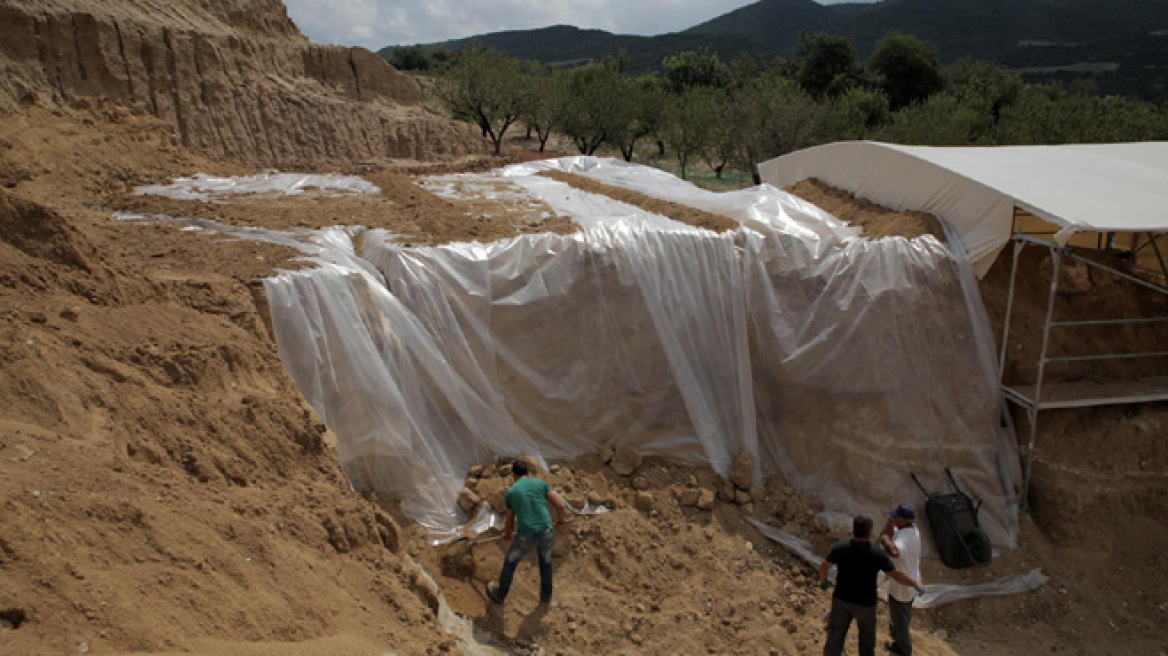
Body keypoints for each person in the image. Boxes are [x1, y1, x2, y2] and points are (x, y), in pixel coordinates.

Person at [819, 515, 924, 656]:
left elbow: (824, 566)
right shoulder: (877, 554)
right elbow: (897, 575)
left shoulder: (840, 548)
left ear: (854, 529)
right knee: (867, 644)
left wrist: (823, 581)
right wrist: (915, 585)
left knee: (835, 638)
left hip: (841, 600)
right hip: (866, 605)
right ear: (869, 532)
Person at [486, 457, 568, 606]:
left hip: (526, 534)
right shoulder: (540, 484)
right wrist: (561, 520)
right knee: (546, 563)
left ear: (514, 475)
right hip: (546, 530)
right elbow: (560, 505)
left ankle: (500, 594)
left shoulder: (512, 492)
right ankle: (546, 596)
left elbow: (510, 520)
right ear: (527, 472)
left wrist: (507, 535)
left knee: (510, 562)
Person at [878, 503, 923, 656]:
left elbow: (894, 551)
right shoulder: (912, 530)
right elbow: (895, 533)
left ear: (903, 520)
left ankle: (903, 650)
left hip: (902, 587)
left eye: (895, 517)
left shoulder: (904, 539)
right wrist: (891, 524)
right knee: (902, 618)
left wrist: (885, 539)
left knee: (901, 621)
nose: (893, 518)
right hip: (910, 581)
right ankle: (899, 639)